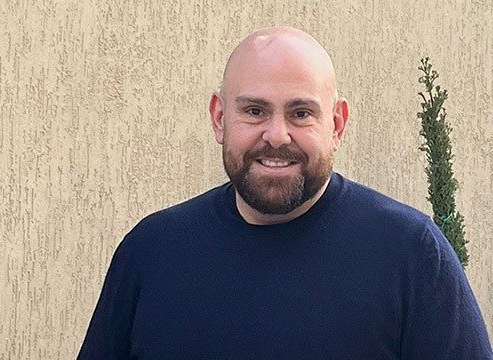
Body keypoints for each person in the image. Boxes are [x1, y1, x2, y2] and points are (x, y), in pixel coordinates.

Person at [78, 27, 492, 359]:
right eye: (255, 111)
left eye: (300, 113)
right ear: (220, 118)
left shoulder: (411, 255)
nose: (277, 136)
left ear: (337, 124)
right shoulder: (151, 252)